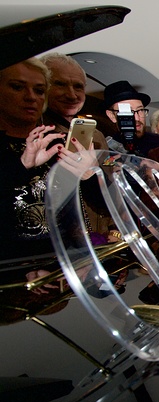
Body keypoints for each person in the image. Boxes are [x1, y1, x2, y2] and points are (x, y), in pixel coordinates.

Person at [0, 58, 105, 260]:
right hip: (14, 274)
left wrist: (90, 174)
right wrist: (21, 167)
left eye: (39, 90)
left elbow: (97, 205)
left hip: (68, 267)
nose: (31, 97)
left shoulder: (57, 143)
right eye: (17, 87)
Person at [38, 53, 108, 150]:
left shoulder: (96, 136)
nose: (72, 95)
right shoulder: (31, 130)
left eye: (78, 86)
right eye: (61, 85)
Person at [103, 80, 159, 157]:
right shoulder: (105, 150)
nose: (137, 118)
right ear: (111, 115)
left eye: (140, 110)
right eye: (128, 112)